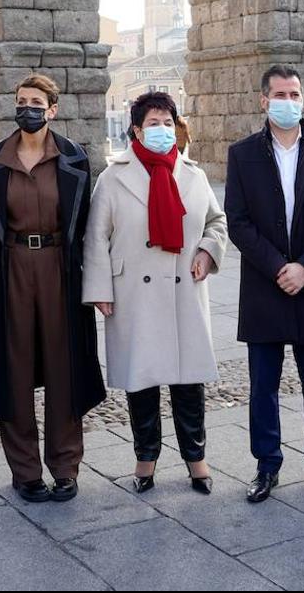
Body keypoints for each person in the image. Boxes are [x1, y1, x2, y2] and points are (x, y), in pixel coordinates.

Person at [83, 92, 228, 495]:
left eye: (167, 122)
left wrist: (207, 250)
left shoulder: (193, 174)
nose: (161, 130)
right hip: (134, 293)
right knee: (142, 381)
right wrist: (99, 290)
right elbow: (96, 238)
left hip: (184, 286)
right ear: (136, 129)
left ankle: (196, 459)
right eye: (153, 123)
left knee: (188, 382)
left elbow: (217, 221)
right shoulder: (113, 177)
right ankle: (145, 458)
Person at [226, 64, 304, 505]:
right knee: (263, 384)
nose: (288, 101)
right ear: (264, 100)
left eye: (294, 93)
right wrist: (280, 266)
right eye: (279, 94)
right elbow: (238, 223)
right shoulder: (242, 154)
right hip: (265, 284)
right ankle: (266, 465)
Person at [0, 74, 106, 503]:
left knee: (62, 365)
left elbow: (88, 224)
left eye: (36, 101)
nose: (27, 107)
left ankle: (65, 466)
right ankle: (25, 470)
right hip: (12, 267)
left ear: (52, 109)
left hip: (59, 269)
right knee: (13, 368)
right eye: (21, 100)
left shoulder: (74, 158)